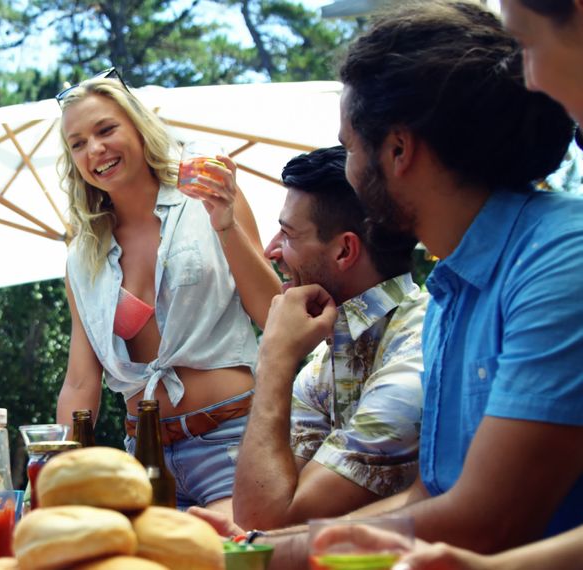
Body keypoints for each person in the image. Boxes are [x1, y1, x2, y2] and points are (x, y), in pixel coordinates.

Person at [193, 1, 580, 567]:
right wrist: (254, 546)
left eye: (349, 147)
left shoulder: (557, 258)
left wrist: (254, 557)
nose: (349, 168)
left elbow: (488, 518)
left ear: (398, 151)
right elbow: (433, 495)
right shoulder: (452, 288)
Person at [54, 70, 281, 511]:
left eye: (105, 129)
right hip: (142, 457)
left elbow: (273, 314)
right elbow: (82, 380)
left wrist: (226, 222)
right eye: (77, 143)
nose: (94, 150)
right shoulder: (83, 255)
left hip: (232, 440)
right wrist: (61, 474)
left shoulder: (207, 199)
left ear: (139, 128)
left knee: (228, 556)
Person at [221, 146, 426, 531]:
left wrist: (275, 359)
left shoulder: (417, 353)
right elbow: (262, 505)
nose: (271, 250)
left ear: (345, 250)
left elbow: (266, 522)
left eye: (289, 234)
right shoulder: (323, 364)